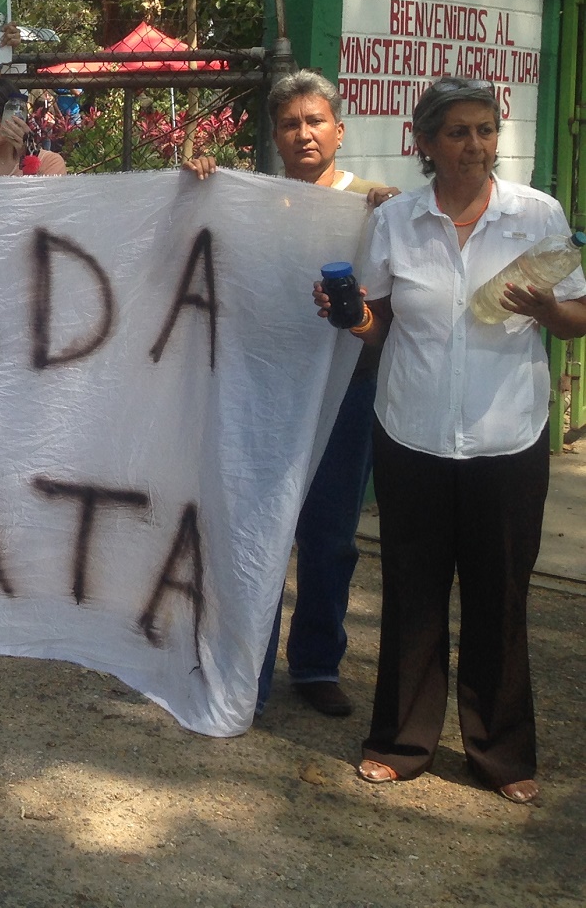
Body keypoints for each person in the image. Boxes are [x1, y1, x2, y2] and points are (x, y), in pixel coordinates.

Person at [332, 76, 586, 805]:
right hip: (411, 434)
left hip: (508, 438)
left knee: (499, 597)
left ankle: (501, 752)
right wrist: (349, 317)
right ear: (425, 142)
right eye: (457, 132)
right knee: (412, 592)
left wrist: (547, 307)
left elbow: (578, 317)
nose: (473, 145)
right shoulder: (398, 222)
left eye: (484, 130)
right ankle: (402, 741)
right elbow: (378, 324)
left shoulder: (536, 215)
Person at [190, 71, 398, 718]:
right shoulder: (253, 200)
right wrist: (199, 179)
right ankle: (246, 666)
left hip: (346, 396)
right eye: (290, 123)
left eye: (315, 121)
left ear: (339, 129)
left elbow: (385, 321)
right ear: (275, 135)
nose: (303, 133)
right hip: (264, 395)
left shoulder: (376, 204)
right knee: (254, 528)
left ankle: (315, 665)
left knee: (330, 535)